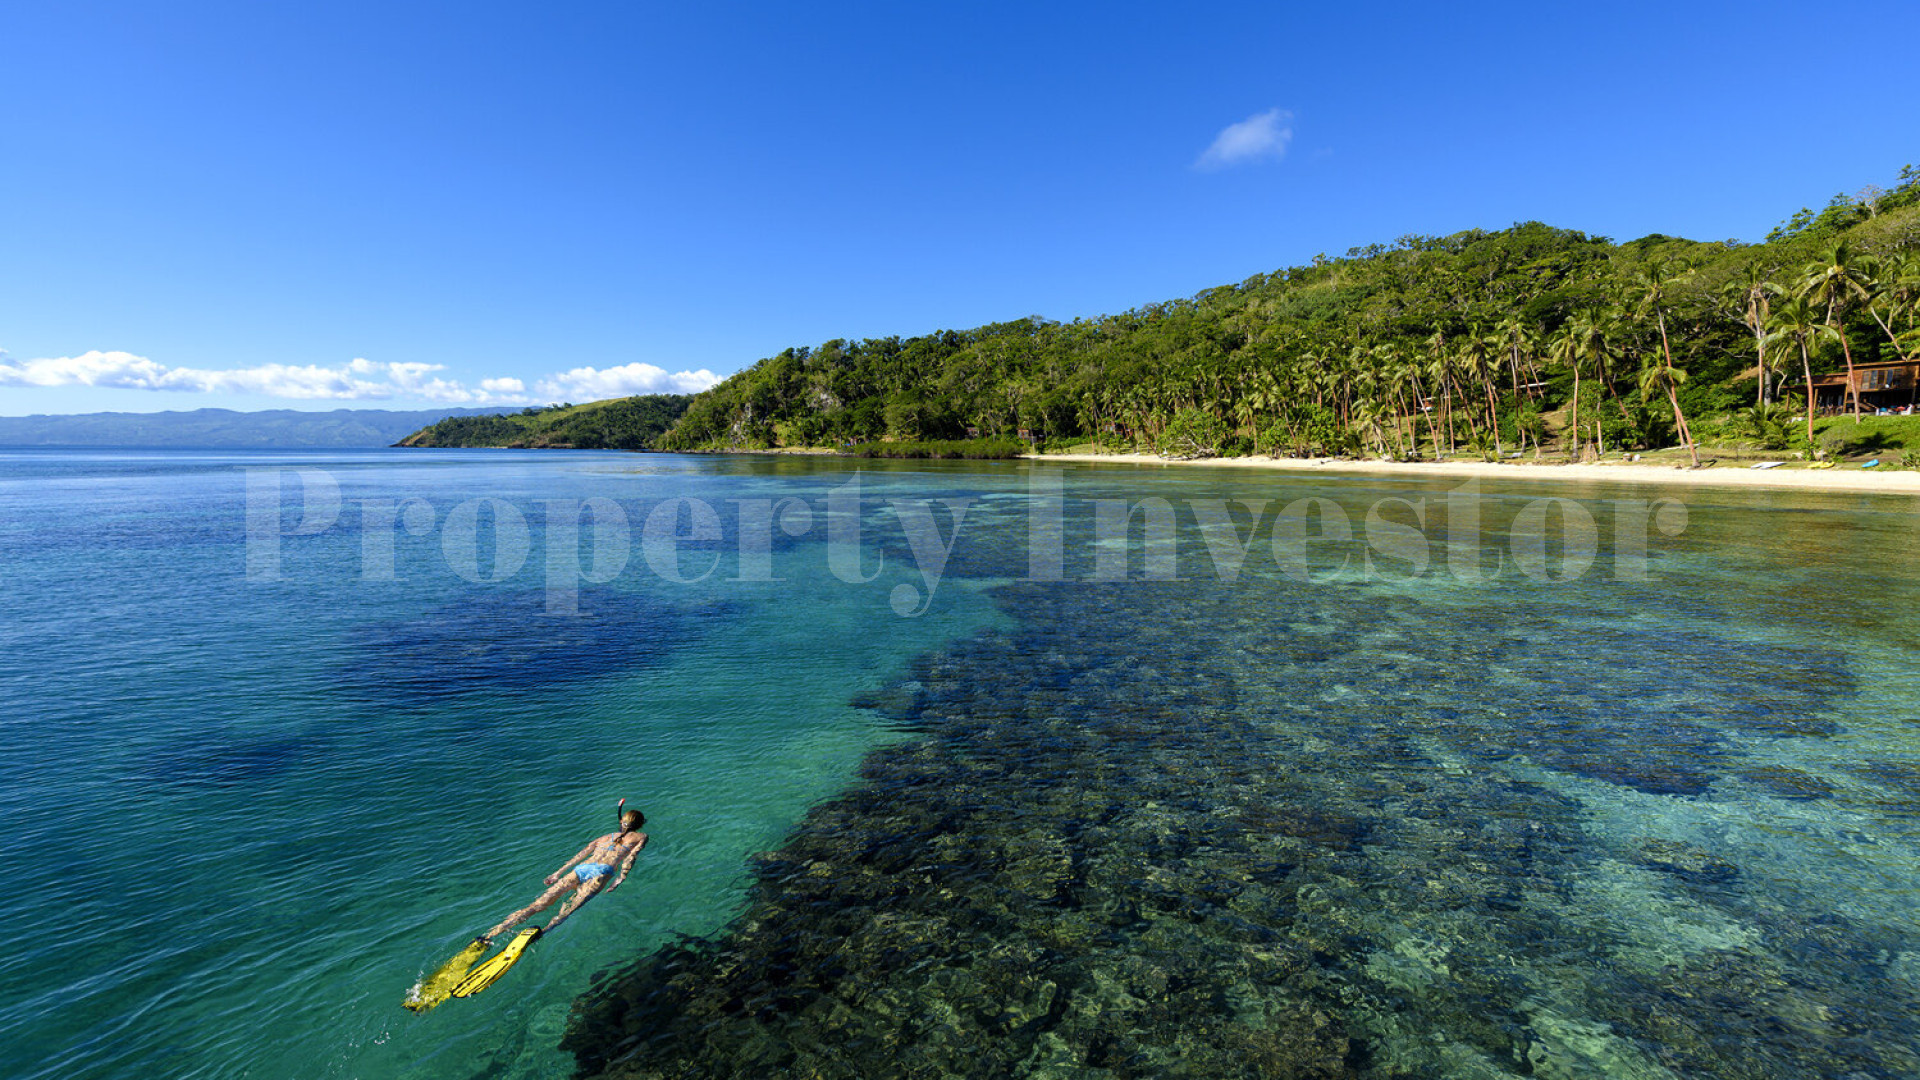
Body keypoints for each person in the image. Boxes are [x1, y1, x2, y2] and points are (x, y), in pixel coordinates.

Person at [479, 808, 647, 944]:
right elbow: (631, 857)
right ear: (639, 825)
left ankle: (490, 935)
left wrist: (557, 874)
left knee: (537, 905)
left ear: (622, 821)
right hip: (601, 874)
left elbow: (581, 854)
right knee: (567, 911)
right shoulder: (641, 836)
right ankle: (541, 933)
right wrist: (620, 878)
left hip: (581, 869)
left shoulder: (605, 837)